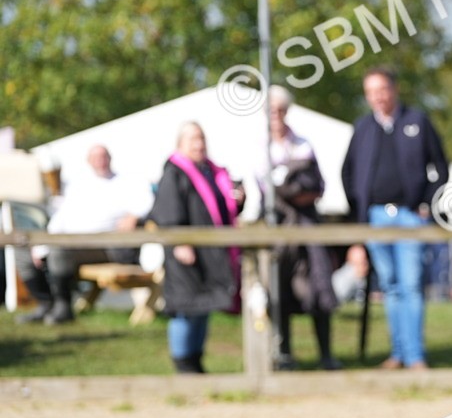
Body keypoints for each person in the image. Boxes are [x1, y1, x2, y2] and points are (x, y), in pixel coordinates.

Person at [341, 67, 448, 370]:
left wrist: (426, 202)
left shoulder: (417, 121)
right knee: (390, 286)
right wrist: (360, 211)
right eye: (370, 92)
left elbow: (440, 166)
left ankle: (415, 356)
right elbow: (347, 172)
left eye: (382, 90)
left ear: (394, 89)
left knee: (411, 285)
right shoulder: (363, 127)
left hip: (410, 217)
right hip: (376, 217)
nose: (377, 97)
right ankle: (398, 353)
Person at [18, 144, 153, 325]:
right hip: (77, 243)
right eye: (95, 157)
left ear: (110, 158)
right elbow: (61, 217)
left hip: (109, 247)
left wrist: (134, 216)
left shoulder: (125, 182)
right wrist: (42, 244)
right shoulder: (79, 185)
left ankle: (63, 307)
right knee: (23, 252)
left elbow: (148, 201)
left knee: (59, 251)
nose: (100, 161)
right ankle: (45, 303)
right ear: (89, 161)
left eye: (103, 156)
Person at [148, 122, 243, 373]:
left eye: (201, 138)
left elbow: (221, 208)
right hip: (184, 253)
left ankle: (196, 360)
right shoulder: (174, 172)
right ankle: (183, 362)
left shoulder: (210, 172)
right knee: (185, 308)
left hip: (208, 254)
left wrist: (238, 200)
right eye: (192, 139)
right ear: (180, 143)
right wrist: (180, 242)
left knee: (202, 308)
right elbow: (166, 211)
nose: (199, 144)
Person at [261, 85, 341, 371]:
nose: (276, 115)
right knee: (278, 289)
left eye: (280, 110)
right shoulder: (259, 147)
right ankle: (284, 354)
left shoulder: (302, 144)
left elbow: (317, 186)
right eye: (271, 110)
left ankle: (326, 354)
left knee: (318, 286)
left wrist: (296, 191)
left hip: (306, 227)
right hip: (277, 227)